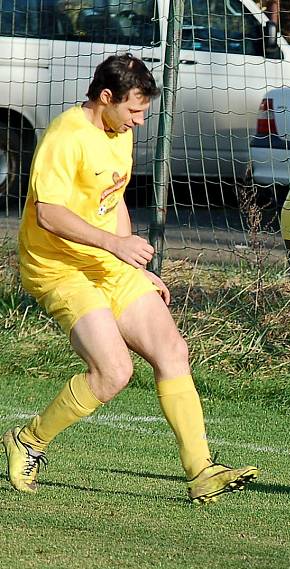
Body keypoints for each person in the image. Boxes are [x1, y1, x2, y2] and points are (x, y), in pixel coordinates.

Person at [3, 54, 258, 504]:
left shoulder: (118, 132)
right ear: (106, 98)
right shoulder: (67, 135)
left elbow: (112, 199)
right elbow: (48, 214)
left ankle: (201, 471)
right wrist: (116, 246)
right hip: (59, 268)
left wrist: (134, 266)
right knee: (114, 371)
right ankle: (28, 440)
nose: (140, 122)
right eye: (134, 111)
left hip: (107, 263)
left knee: (172, 349)